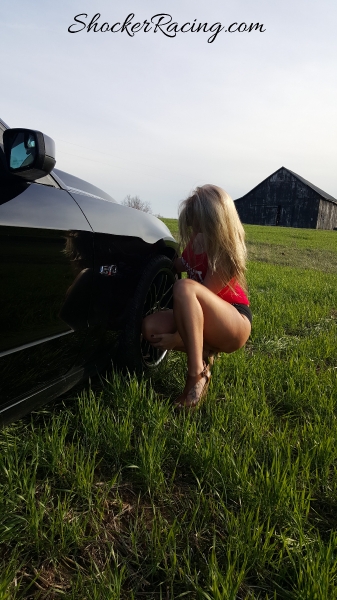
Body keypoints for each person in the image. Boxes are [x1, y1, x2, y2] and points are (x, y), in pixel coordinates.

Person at [142, 184, 252, 409]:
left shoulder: (225, 252)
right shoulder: (195, 241)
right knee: (150, 328)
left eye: (195, 219)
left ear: (212, 218)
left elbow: (201, 295)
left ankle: (197, 375)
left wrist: (178, 339)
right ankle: (204, 353)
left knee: (184, 287)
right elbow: (178, 264)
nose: (192, 225)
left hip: (232, 320)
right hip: (199, 314)